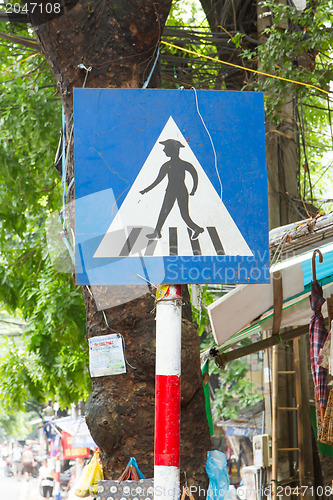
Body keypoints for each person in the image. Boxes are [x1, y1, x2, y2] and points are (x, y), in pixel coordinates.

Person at [140, 139, 204, 240]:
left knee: (184, 214)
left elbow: (194, 175)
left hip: (180, 191)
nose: (164, 150)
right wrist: (146, 190)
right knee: (164, 212)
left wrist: (194, 189)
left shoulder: (182, 164)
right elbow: (158, 180)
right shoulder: (167, 165)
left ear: (172, 150)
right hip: (172, 191)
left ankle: (196, 228)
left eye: (165, 148)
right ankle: (157, 232)